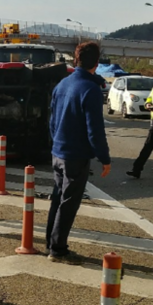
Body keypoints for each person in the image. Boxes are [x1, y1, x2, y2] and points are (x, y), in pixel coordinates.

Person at [46, 41, 111, 265]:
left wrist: (56, 143)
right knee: (69, 203)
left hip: (58, 152)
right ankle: (58, 249)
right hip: (76, 155)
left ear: (76, 60)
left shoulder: (62, 84)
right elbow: (95, 130)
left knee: (58, 198)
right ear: (96, 63)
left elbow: (52, 121)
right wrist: (104, 158)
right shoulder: (90, 90)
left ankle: (50, 243)